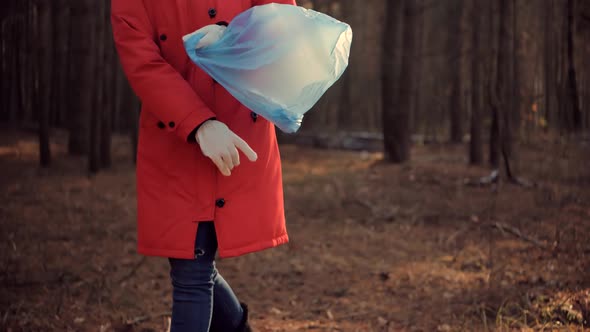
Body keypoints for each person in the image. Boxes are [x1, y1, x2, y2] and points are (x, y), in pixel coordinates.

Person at [111, 0, 296, 331]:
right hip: (174, 140)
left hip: (238, 134)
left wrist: (230, 36)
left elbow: (283, 28)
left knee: (194, 271)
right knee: (191, 270)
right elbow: (143, 62)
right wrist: (198, 123)